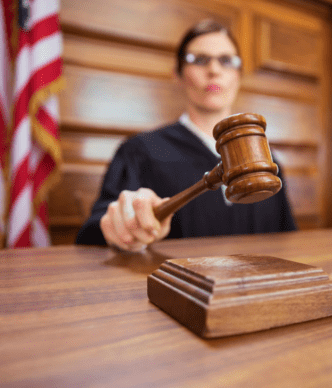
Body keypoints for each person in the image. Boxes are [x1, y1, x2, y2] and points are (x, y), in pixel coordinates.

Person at [76, 20, 296, 251]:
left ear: (238, 76)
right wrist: (124, 224)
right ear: (177, 74)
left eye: (226, 60)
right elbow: (96, 232)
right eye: (199, 60)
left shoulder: (266, 160)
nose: (214, 70)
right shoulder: (140, 151)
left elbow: (286, 240)